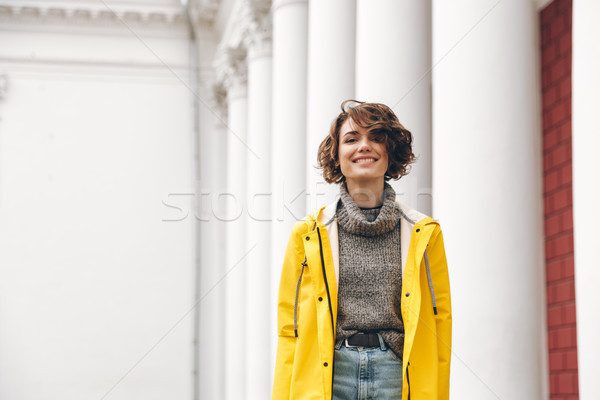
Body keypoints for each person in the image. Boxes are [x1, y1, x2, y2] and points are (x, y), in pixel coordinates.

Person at [272, 100, 452, 400]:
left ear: (390, 152)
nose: (364, 146)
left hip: (397, 374)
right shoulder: (307, 235)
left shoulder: (425, 233)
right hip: (329, 374)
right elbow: (289, 329)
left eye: (376, 137)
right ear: (337, 156)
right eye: (352, 139)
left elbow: (439, 324)